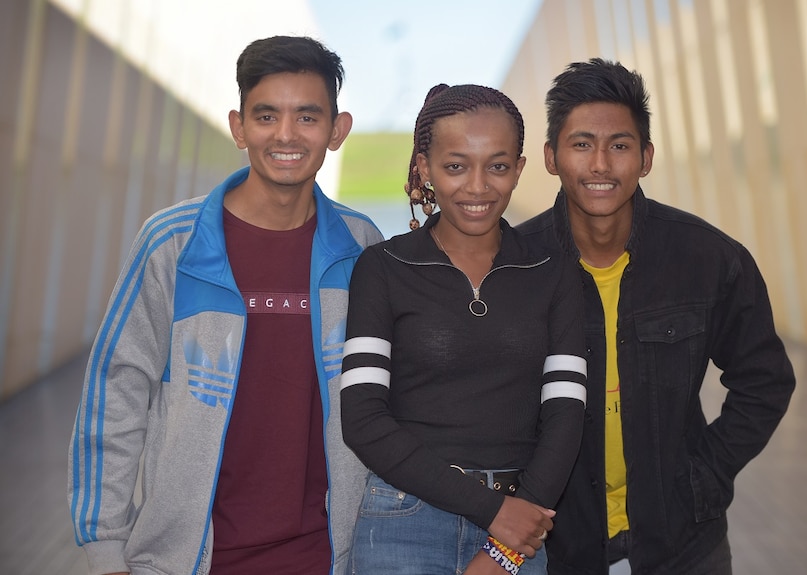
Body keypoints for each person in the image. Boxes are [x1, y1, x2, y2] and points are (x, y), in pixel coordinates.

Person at [67, 36, 382, 575]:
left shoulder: (361, 243)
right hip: (185, 558)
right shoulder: (172, 241)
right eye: (266, 115)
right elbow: (116, 390)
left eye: (307, 116)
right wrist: (104, 547)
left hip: (325, 556)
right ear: (239, 127)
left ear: (337, 130)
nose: (285, 134)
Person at [517, 58, 796, 574]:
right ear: (551, 157)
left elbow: (766, 380)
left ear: (645, 158)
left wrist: (706, 476)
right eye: (581, 144)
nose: (600, 164)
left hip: (684, 544)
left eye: (619, 146)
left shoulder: (707, 259)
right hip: (556, 547)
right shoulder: (515, 265)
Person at [339, 83, 588, 575]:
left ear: (518, 168)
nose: (478, 187)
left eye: (497, 166)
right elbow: (363, 421)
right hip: (400, 523)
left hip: (521, 525)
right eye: (456, 166)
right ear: (425, 168)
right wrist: (492, 511)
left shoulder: (554, 272)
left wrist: (507, 547)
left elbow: (566, 416)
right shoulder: (382, 268)